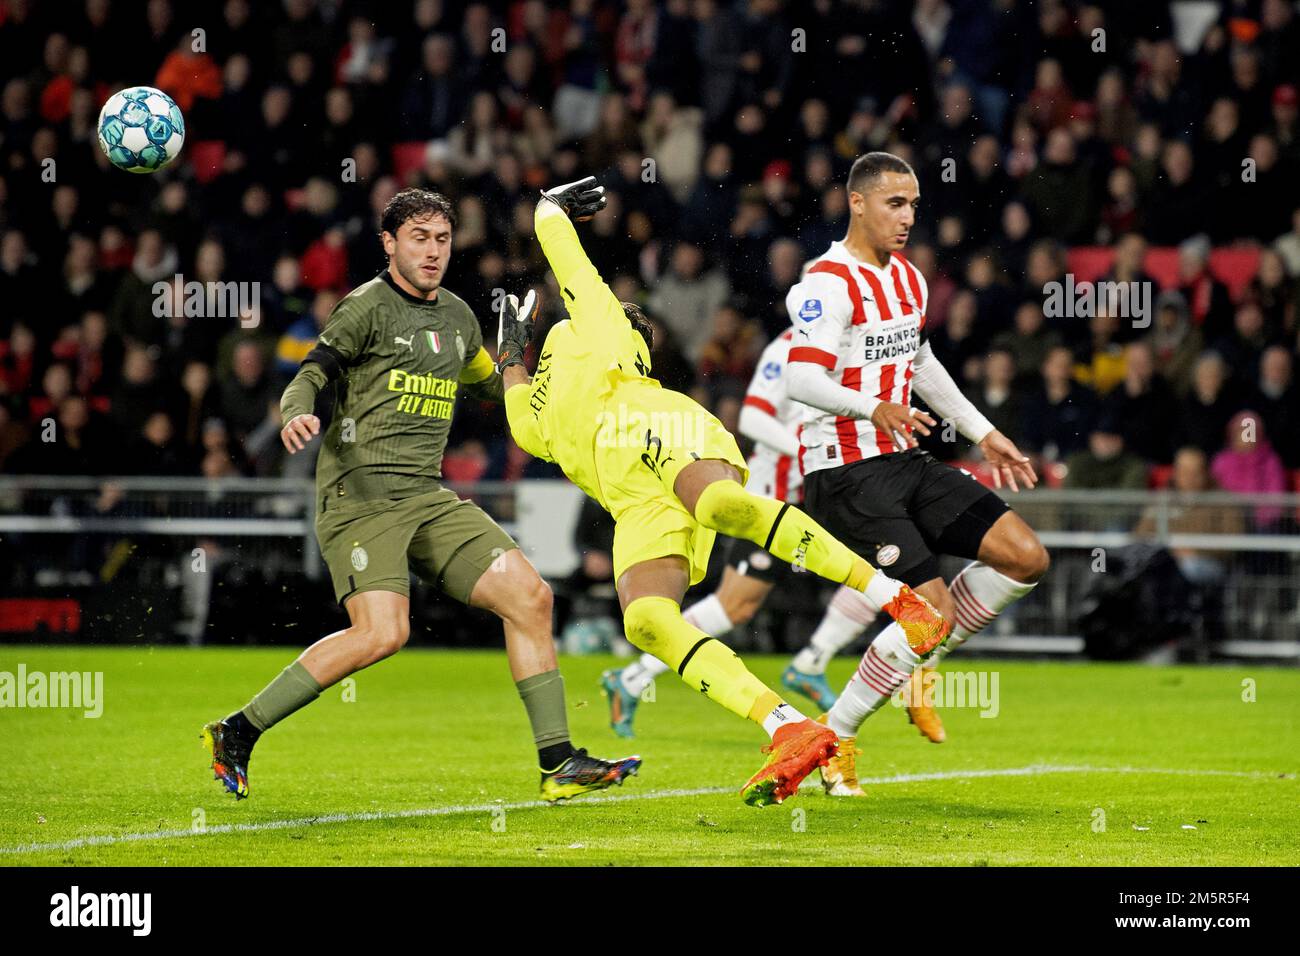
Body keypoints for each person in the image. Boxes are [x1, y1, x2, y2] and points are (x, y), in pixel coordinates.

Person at [500, 177, 950, 807]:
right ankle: (786, 727)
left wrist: (549, 208)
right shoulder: (542, 418)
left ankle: (896, 597)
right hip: (632, 501)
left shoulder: (599, 327)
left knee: (716, 504)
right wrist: (509, 358)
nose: (633, 322)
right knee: (646, 621)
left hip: (657, 427)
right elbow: (520, 412)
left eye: (639, 328)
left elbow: (564, 253)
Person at [202, 188, 639, 804]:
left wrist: (519, 355)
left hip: (426, 497)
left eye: (442, 239)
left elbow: (497, 396)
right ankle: (237, 732)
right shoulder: (365, 309)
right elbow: (310, 373)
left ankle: (558, 761)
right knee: (383, 633)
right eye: (419, 238)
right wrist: (297, 413)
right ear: (389, 243)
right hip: (361, 497)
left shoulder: (459, 319)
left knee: (530, 597)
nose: (433, 252)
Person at [783, 152, 1050, 796]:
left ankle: (915, 667)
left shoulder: (908, 278)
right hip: (844, 469)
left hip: (903, 458)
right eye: (894, 204)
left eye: (913, 205)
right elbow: (801, 377)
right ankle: (837, 737)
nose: (907, 218)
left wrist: (984, 434)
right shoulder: (827, 282)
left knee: (1026, 556)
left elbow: (920, 362)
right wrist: (871, 405)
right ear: (857, 202)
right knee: (928, 611)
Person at [600, 325, 886, 736]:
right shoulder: (787, 347)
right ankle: (633, 677)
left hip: (822, 492)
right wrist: (809, 452)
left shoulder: (857, 350)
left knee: (882, 557)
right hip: (775, 497)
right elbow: (753, 416)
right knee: (736, 606)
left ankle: (813, 660)